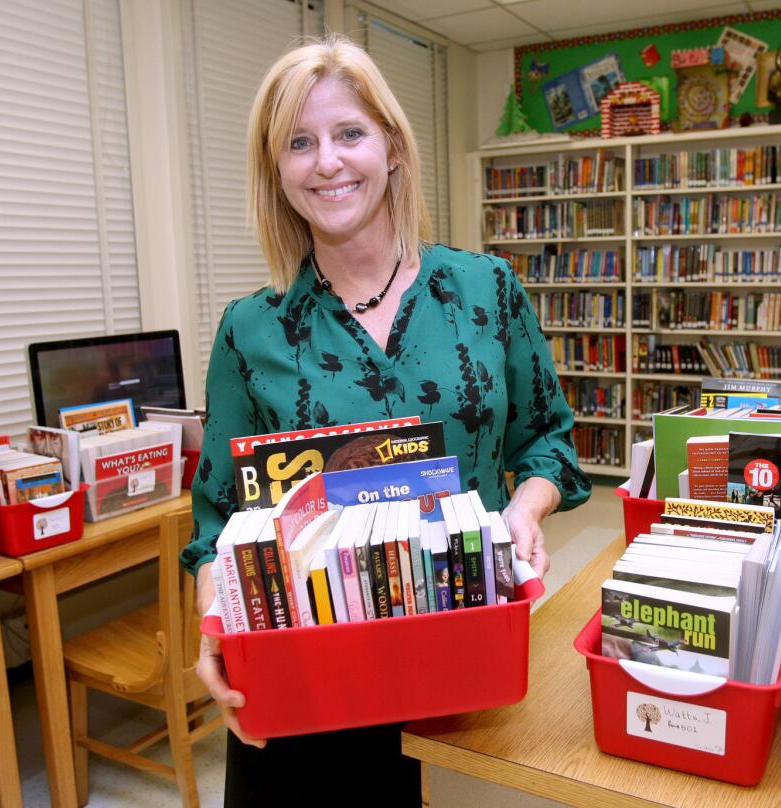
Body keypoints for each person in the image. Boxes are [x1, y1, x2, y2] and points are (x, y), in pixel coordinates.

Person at [179, 34, 591, 806]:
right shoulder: (249, 330)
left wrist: (527, 511)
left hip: (464, 668)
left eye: (349, 133)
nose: (327, 161)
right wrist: (214, 613)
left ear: (393, 147)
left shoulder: (485, 289)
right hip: (310, 685)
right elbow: (217, 518)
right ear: (277, 169)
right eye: (299, 143)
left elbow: (549, 442)